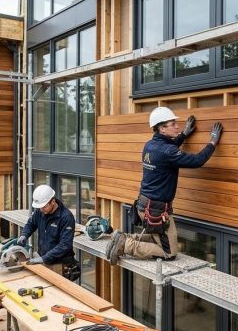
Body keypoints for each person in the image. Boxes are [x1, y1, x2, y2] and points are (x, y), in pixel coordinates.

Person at [105, 107, 223, 264]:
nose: (177, 126)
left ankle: (123, 238)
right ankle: (126, 245)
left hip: (145, 204)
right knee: (169, 253)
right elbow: (196, 160)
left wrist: (184, 135)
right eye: (173, 124)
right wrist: (213, 142)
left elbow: (170, 149)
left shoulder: (150, 145)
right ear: (161, 128)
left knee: (160, 241)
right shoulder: (167, 151)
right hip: (156, 210)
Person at [17, 184, 80, 280]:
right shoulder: (40, 211)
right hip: (45, 259)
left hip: (60, 263)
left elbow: (64, 245)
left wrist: (44, 258)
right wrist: (24, 235)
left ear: (53, 202)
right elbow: (31, 224)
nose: (41, 210)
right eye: (40, 207)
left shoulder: (66, 217)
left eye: (44, 207)